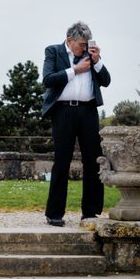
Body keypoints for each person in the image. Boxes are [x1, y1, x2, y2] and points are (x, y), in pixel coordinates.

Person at [41, 21, 111, 226]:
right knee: (62, 160)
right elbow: (48, 79)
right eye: (81, 44)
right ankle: (54, 213)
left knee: (93, 160)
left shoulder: (91, 56)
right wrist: (76, 70)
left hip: (88, 111)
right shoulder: (53, 51)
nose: (84, 48)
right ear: (69, 40)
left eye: (87, 44)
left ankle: (90, 211)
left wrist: (97, 61)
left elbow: (106, 81)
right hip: (63, 110)